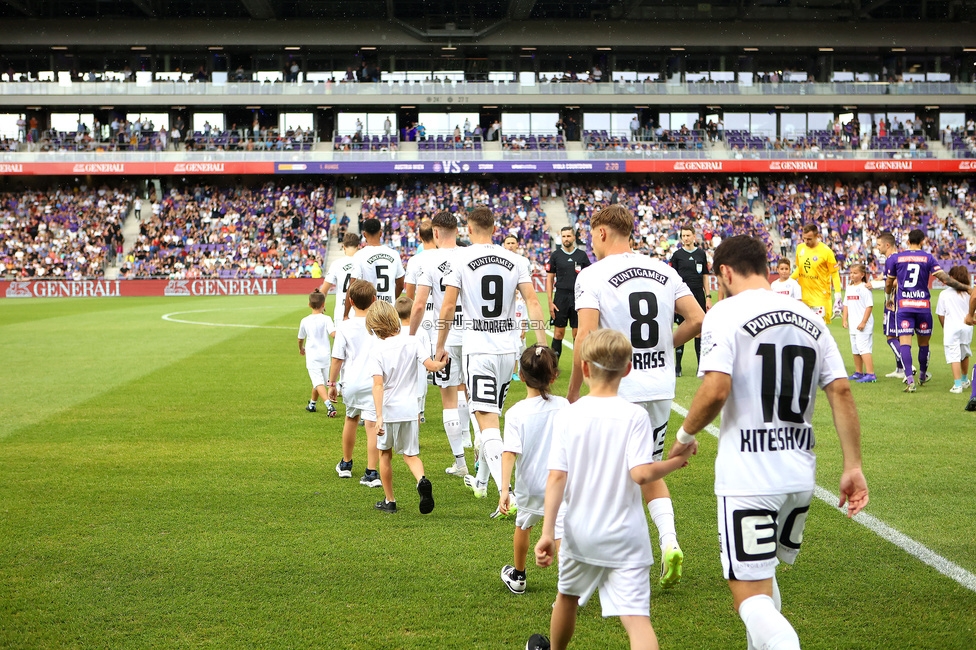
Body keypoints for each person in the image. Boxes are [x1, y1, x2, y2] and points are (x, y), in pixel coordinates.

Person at [670, 234, 869, 650]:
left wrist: (686, 435)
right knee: (763, 577)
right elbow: (841, 391)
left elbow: (716, 389)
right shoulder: (808, 316)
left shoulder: (724, 313)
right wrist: (852, 466)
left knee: (749, 597)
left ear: (724, 272)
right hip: (798, 477)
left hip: (748, 475)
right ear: (764, 266)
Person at [530, 329, 695, 650]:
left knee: (567, 597)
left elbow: (555, 478)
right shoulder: (636, 416)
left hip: (580, 531)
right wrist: (677, 461)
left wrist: (548, 532)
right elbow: (642, 473)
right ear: (628, 369)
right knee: (636, 621)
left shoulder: (568, 414)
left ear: (586, 369)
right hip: (626, 535)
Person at [568, 204, 704, 589]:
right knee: (646, 468)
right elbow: (697, 319)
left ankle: (612, 562)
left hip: (616, 387)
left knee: (606, 475)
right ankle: (670, 541)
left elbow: (585, 337)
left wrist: (575, 392)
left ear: (603, 233)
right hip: (660, 387)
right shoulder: (664, 270)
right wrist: (663, 346)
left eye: (593, 235)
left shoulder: (592, 275)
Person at [435, 206, 547, 506]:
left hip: (479, 350)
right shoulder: (516, 260)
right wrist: (540, 344)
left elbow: (447, 307)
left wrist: (440, 344)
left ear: (468, 230)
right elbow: (533, 301)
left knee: (487, 423)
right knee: (490, 416)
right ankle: (482, 483)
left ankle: (508, 495)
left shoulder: (460, 258)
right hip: (508, 352)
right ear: (495, 229)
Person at [410, 212, 475, 476]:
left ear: (435, 233)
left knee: (448, 397)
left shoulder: (428, 260)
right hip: (473, 335)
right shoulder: (470, 256)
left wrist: (410, 336)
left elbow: (417, 304)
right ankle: (481, 453)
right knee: (475, 396)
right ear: (458, 230)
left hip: (445, 336)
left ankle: (460, 463)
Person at [366, 300, 446, 514]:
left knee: (385, 454)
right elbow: (430, 366)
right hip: (411, 408)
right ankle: (421, 480)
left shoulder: (377, 350)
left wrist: (379, 416)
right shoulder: (412, 342)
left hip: (389, 409)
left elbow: (378, 385)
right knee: (410, 455)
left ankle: (389, 500)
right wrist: (441, 364)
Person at [498, 345, 565, 594]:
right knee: (560, 531)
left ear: (521, 375)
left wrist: (505, 490)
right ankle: (567, 586)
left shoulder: (516, 413)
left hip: (530, 485)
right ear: (554, 376)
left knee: (523, 525)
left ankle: (519, 576)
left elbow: (509, 453)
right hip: (560, 484)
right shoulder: (564, 405)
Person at [885, 229, 969, 393]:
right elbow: (945, 279)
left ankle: (910, 380)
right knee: (924, 344)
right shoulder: (928, 258)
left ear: (907, 241)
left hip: (904, 307)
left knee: (905, 344)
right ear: (923, 241)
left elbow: (889, 283)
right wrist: (967, 288)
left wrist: (888, 298)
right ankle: (922, 375)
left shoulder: (896, 258)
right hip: (922, 307)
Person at [328, 280, 381, 486]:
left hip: (351, 381)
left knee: (351, 419)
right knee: (371, 425)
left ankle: (346, 464)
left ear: (350, 301)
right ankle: (371, 472)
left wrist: (332, 383)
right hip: (374, 381)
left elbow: (337, 358)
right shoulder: (379, 324)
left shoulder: (344, 326)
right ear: (374, 300)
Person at [668, 224, 712, 376]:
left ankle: (700, 366)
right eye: (683, 236)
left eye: (688, 235)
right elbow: (672, 277)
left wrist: (708, 296)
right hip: (682, 297)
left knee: (699, 330)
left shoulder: (701, 254)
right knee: (682, 327)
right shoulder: (677, 255)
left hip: (698, 294)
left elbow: (705, 276)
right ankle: (678, 367)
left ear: (694, 236)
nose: (685, 238)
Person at [545, 226, 591, 360]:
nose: (566, 239)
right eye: (563, 236)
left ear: (574, 237)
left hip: (578, 297)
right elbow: (550, 279)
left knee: (577, 334)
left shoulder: (581, 256)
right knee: (558, 333)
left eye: (568, 236)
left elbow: (588, 277)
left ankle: (580, 365)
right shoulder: (556, 255)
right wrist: (550, 301)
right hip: (560, 297)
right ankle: (553, 366)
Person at [345, 217, 404, 318]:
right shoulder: (394, 254)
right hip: (388, 310)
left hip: (369, 309)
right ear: (381, 233)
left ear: (364, 235)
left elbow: (352, 286)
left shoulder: (360, 255)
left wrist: (346, 314)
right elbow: (400, 285)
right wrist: (391, 298)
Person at [791, 224, 842, 323]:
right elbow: (799, 269)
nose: (806, 241)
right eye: (804, 238)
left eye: (809, 239)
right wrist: (787, 281)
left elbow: (835, 274)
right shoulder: (800, 248)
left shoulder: (826, 251)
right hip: (802, 297)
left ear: (817, 236)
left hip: (820, 298)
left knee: (818, 330)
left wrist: (838, 295)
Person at [298, 289, 337, 417]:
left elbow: (300, 338)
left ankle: (329, 405)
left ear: (309, 305)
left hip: (312, 355)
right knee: (319, 380)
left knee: (318, 382)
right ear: (323, 304)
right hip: (325, 355)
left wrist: (301, 348)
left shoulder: (305, 320)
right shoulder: (326, 319)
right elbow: (333, 334)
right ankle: (312, 404)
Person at [936, 265, 973, 394]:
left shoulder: (944, 294)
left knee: (954, 356)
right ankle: (964, 379)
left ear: (952, 278)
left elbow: (941, 314)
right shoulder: (970, 293)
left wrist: (944, 327)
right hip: (966, 327)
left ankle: (957, 385)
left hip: (952, 327)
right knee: (964, 354)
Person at [876, 232, 907, 379]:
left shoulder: (891, 259)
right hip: (901, 300)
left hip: (893, 302)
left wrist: (875, 284)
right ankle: (900, 369)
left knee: (890, 336)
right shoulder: (899, 258)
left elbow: (894, 282)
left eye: (879, 245)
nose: (877, 248)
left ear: (887, 245)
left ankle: (907, 366)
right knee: (898, 336)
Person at [842, 264, 876, 383]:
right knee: (855, 349)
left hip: (863, 324)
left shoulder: (864, 288)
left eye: (855, 273)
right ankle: (858, 372)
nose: (852, 275)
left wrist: (863, 322)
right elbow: (846, 304)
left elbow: (869, 306)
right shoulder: (849, 288)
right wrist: (844, 319)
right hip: (853, 324)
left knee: (863, 348)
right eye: (851, 273)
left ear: (862, 275)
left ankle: (871, 374)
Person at [320, 232, 360, 323]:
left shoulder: (336, 264)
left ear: (344, 247)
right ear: (358, 246)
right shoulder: (363, 263)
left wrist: (321, 305)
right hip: (360, 314)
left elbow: (324, 290)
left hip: (341, 313)